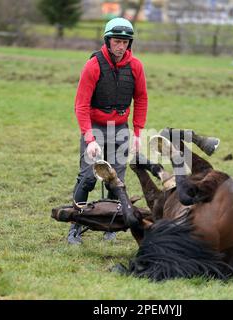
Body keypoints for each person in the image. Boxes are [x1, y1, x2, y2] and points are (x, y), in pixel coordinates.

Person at [67, 17, 148, 245]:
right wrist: (90, 138)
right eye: (116, 41)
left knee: (116, 181)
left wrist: (138, 133)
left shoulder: (136, 67)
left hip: (120, 129)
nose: (120, 46)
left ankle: (110, 226)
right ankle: (75, 226)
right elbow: (81, 105)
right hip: (95, 127)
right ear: (108, 40)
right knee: (87, 179)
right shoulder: (93, 65)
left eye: (125, 42)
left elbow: (141, 99)